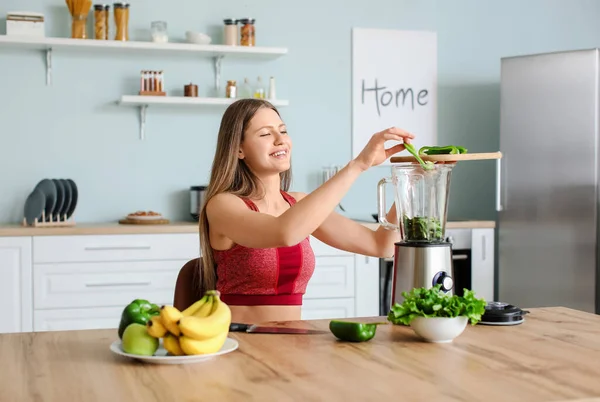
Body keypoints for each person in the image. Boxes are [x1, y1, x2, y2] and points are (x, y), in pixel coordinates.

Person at [199, 98, 415, 324]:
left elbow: (381, 245)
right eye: (265, 134)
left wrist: (411, 181)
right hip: (240, 342)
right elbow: (284, 233)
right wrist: (359, 165)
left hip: (293, 342)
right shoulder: (223, 205)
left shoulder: (298, 203)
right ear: (239, 149)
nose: (280, 140)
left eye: (283, 131)